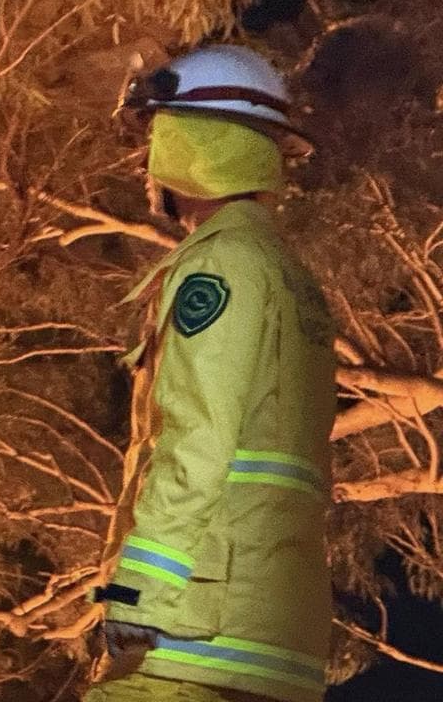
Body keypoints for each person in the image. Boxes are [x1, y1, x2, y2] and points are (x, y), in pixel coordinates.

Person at [87, 45, 337, 702]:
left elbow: (197, 443)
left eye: (157, 135)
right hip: (275, 637)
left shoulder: (221, 266)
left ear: (188, 142)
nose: (147, 163)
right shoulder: (291, 277)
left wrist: (139, 594)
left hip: (197, 633)